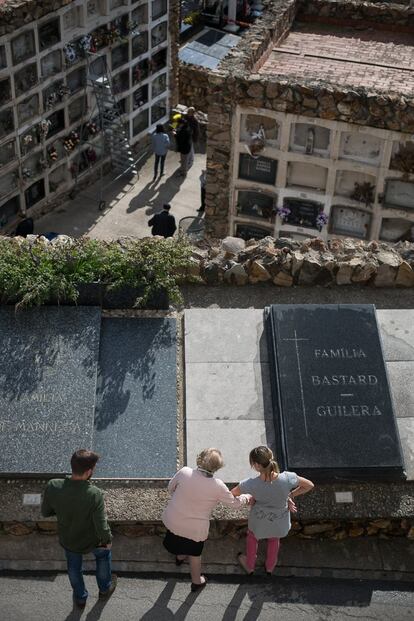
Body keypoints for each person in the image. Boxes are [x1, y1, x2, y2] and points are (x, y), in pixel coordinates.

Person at [162, 448, 251, 591]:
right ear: (217, 468)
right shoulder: (218, 486)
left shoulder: (184, 472)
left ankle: (179, 557)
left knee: (177, 537)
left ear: (200, 459)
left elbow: (170, 488)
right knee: (195, 553)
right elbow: (235, 504)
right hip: (195, 530)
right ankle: (197, 581)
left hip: (173, 519)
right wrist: (247, 497)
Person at [41, 450, 116, 608]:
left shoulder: (53, 485)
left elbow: (46, 512)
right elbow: (101, 525)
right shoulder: (94, 494)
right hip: (94, 539)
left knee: (74, 567)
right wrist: (107, 540)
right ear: (89, 471)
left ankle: (80, 598)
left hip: (69, 538)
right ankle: (105, 589)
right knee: (103, 557)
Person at [231, 446, 314, 575]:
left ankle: (250, 566)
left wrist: (250, 497)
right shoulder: (287, 478)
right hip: (279, 523)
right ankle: (270, 567)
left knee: (252, 538)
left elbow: (232, 494)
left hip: (258, 521)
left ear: (257, 465)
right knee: (274, 539)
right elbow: (309, 485)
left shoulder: (250, 484)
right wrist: (290, 495)